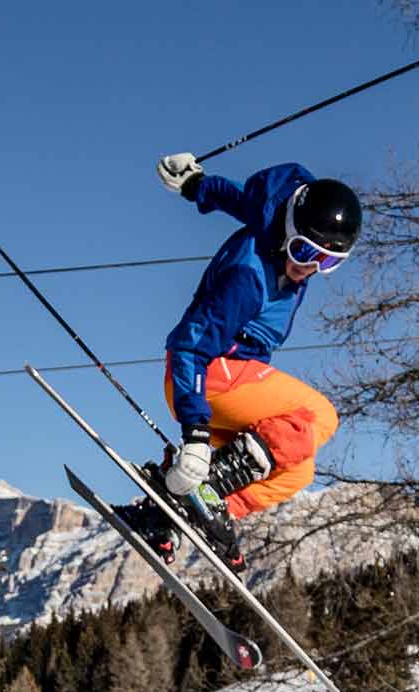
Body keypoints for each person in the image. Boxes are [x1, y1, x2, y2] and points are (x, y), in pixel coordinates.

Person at [116, 156, 361, 572]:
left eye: (327, 262)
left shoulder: (275, 214)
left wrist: (195, 184)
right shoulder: (248, 276)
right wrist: (195, 434)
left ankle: (188, 511)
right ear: (289, 230)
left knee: (298, 471)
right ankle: (199, 488)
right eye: (304, 251)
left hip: (228, 384)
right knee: (319, 416)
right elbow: (189, 344)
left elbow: (241, 200)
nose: (308, 268)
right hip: (205, 376)